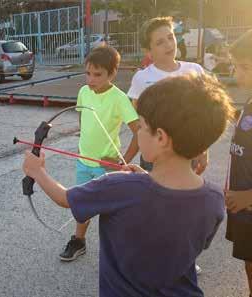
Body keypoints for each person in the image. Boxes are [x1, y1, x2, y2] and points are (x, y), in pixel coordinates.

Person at [23, 73, 235, 296]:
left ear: (161, 137)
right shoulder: (214, 198)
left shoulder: (118, 186)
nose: (137, 133)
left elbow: (65, 198)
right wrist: (144, 177)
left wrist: (37, 171)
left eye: (142, 127)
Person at [59, 46, 139, 261]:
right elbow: (82, 118)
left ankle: (118, 250)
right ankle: (79, 241)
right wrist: (81, 144)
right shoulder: (84, 92)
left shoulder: (119, 98)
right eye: (88, 73)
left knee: (112, 212)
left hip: (107, 167)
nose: (91, 80)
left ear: (112, 73)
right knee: (81, 205)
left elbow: (139, 133)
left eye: (98, 74)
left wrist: (124, 162)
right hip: (83, 162)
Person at [127, 16, 207, 175]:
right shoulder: (141, 78)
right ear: (148, 52)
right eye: (160, 42)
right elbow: (139, 122)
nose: (169, 44)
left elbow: (203, 115)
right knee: (155, 196)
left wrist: (203, 150)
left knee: (181, 196)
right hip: (155, 155)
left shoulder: (195, 71)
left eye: (170, 37)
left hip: (186, 153)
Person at [226, 29, 252, 297]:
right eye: (235, 67)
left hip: (249, 201)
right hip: (243, 208)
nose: (237, 75)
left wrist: (248, 196)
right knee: (249, 262)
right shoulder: (249, 102)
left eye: (245, 67)